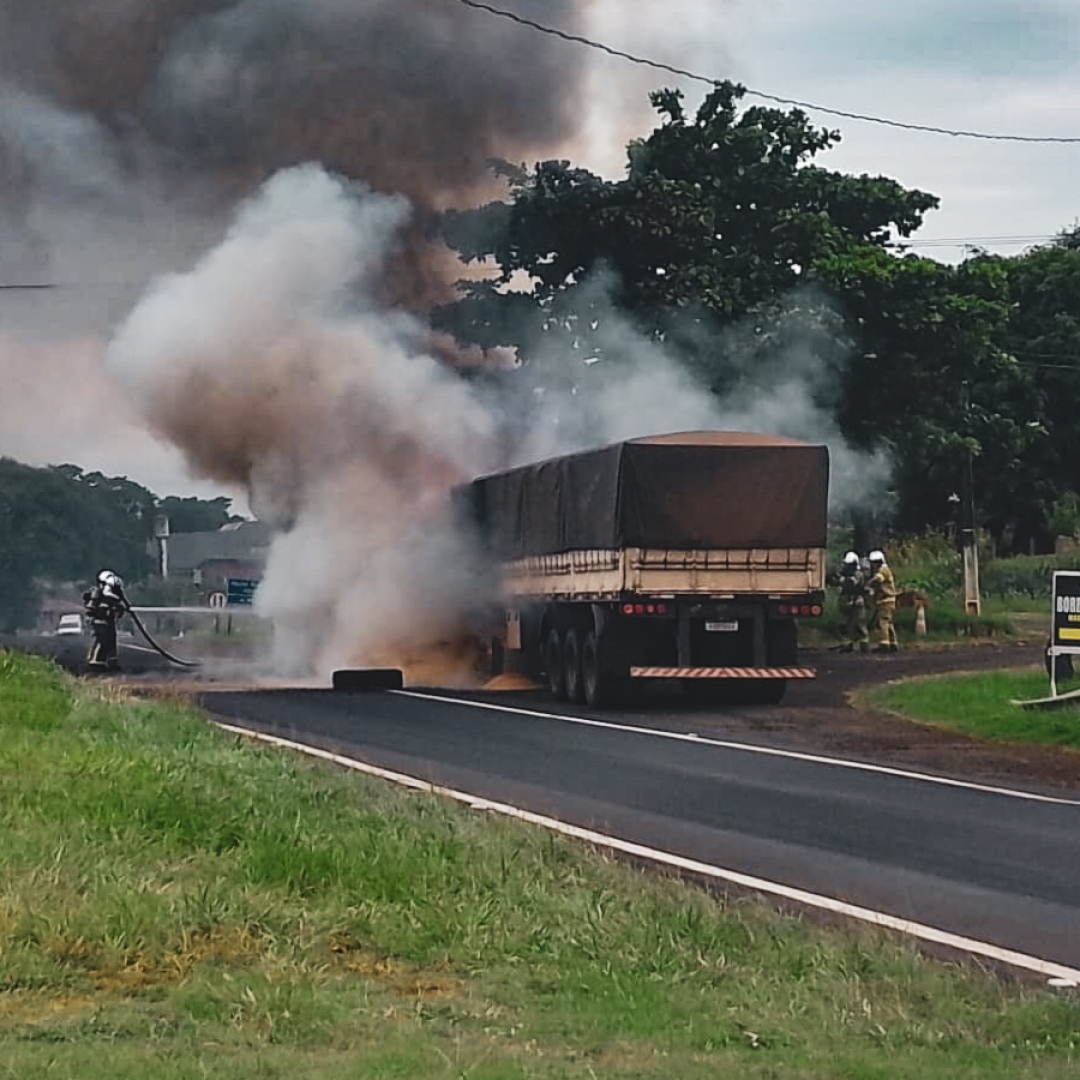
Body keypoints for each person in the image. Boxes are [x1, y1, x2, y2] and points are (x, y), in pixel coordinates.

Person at [83, 570, 127, 671]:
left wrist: (118, 610)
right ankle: (95, 660)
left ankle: (111, 661)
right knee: (102, 640)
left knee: (111, 640)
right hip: (101, 621)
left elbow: (118, 609)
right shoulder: (98, 595)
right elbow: (93, 608)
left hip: (108, 622)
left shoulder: (108, 598)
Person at [835, 550, 870, 653]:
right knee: (845, 624)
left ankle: (864, 644)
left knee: (860, 624)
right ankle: (847, 644)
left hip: (857, 601)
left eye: (849, 564)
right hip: (846, 602)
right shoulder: (845, 573)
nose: (847, 566)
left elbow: (850, 584)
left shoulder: (858, 574)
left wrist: (841, 580)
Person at [866, 549, 899, 653]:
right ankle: (893, 643)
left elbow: (878, 579)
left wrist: (868, 584)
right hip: (888, 601)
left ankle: (884, 644)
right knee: (889, 623)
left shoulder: (883, 571)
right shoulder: (885, 569)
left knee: (883, 623)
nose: (874, 565)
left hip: (885, 601)